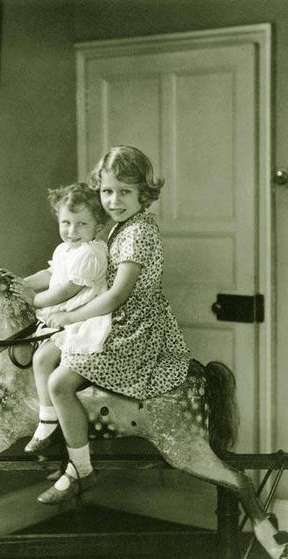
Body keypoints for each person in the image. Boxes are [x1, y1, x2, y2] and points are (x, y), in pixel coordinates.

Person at [37, 145, 191, 504]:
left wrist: (70, 316)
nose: (114, 200)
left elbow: (117, 295)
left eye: (125, 192)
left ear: (144, 193)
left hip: (133, 329)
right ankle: (49, 426)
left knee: (60, 382)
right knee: (44, 351)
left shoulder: (138, 233)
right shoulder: (122, 226)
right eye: (107, 191)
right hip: (114, 319)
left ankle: (80, 470)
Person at [11, 182, 112, 454]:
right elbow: (51, 276)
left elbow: (68, 289)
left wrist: (32, 300)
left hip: (81, 319)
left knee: (43, 358)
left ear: (98, 224)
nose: (72, 231)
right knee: (33, 353)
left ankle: (48, 420)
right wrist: (18, 284)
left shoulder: (92, 252)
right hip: (61, 315)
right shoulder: (64, 249)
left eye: (81, 224)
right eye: (66, 222)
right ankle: (48, 414)